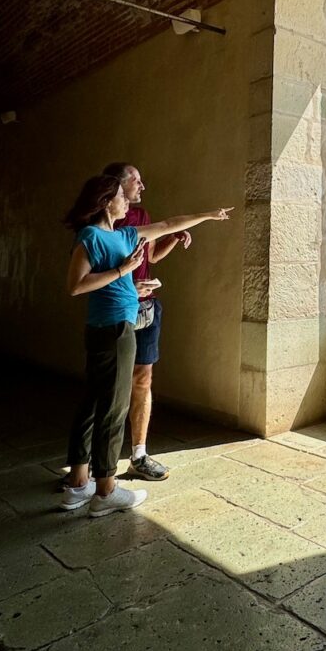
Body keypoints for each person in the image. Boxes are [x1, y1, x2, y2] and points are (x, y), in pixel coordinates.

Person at [61, 174, 231, 517]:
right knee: (113, 409)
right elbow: (76, 286)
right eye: (123, 197)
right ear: (108, 201)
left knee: (95, 402)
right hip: (111, 330)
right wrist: (124, 269)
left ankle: (78, 485)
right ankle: (106, 491)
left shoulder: (124, 235)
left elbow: (169, 224)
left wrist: (208, 215)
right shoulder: (91, 237)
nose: (129, 202)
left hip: (118, 322)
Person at [102, 162, 188, 481]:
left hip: (147, 307)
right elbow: (91, 275)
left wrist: (174, 239)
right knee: (111, 384)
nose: (142, 185)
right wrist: (127, 287)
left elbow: (149, 258)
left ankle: (138, 455)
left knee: (143, 379)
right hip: (117, 309)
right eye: (136, 180)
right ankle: (95, 464)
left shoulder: (142, 216)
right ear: (116, 185)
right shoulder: (101, 224)